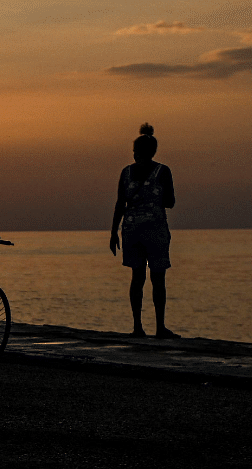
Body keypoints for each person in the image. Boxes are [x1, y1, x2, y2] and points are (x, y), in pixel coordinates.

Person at [110, 123, 178, 339]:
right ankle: (160, 327)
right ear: (154, 151)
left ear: (137, 151)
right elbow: (170, 202)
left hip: (131, 230)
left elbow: (120, 203)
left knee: (136, 277)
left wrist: (113, 232)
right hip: (155, 229)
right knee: (158, 279)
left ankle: (137, 327)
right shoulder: (162, 171)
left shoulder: (126, 172)